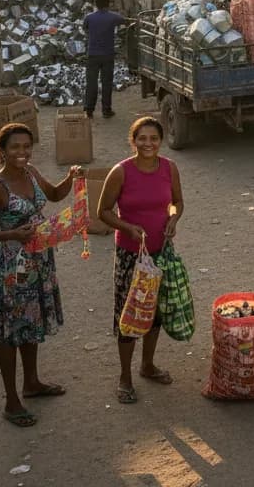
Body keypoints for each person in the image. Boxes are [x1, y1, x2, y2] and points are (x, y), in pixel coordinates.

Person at [0, 123, 82, 427]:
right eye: (15, 147)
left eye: (26, 146)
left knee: (30, 324)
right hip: (14, 269)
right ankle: (11, 401)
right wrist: (11, 234)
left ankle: (31, 383)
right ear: (1, 150)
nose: (22, 152)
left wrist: (71, 178)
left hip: (39, 261)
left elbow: (55, 194)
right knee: (10, 334)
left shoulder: (30, 172)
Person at [97, 116, 184, 405]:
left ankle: (147, 365)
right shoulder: (121, 171)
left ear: (161, 141)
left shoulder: (169, 168)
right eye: (142, 138)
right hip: (130, 255)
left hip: (160, 253)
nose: (148, 143)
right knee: (129, 315)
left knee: (155, 312)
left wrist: (173, 218)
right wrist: (127, 227)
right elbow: (103, 211)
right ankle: (125, 377)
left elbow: (177, 202)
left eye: (154, 138)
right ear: (133, 141)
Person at [83, 0, 129, 119]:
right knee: (106, 83)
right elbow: (124, 21)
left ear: (96, 5)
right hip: (107, 55)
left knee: (91, 83)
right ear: (108, 4)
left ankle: (89, 110)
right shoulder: (113, 17)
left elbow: (85, 29)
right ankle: (106, 110)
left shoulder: (89, 17)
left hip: (92, 55)